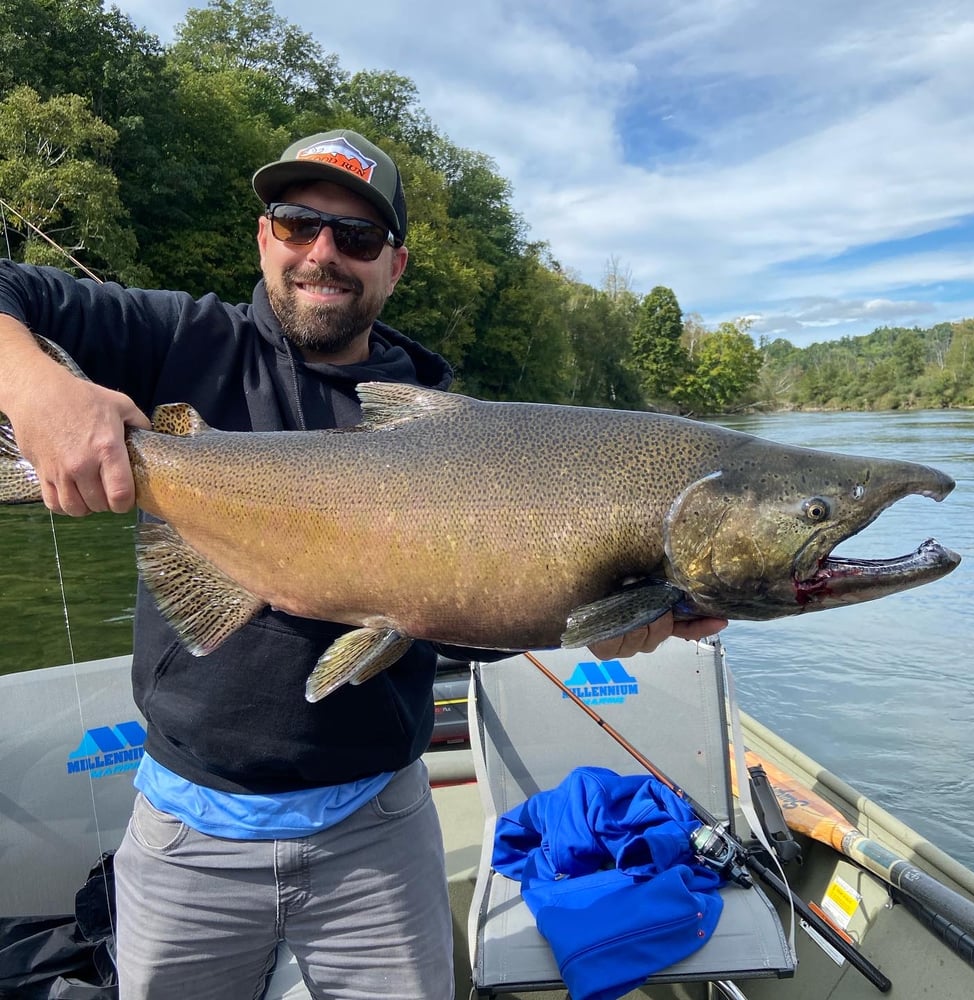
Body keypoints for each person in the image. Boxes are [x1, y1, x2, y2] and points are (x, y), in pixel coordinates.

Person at [0, 128, 727, 1000]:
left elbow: (475, 620)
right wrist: (37, 391)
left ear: (396, 266)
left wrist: (596, 609)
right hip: (183, 829)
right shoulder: (178, 340)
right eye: (297, 222)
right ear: (263, 235)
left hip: (377, 831)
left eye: (357, 238)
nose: (323, 253)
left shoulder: (453, 428)